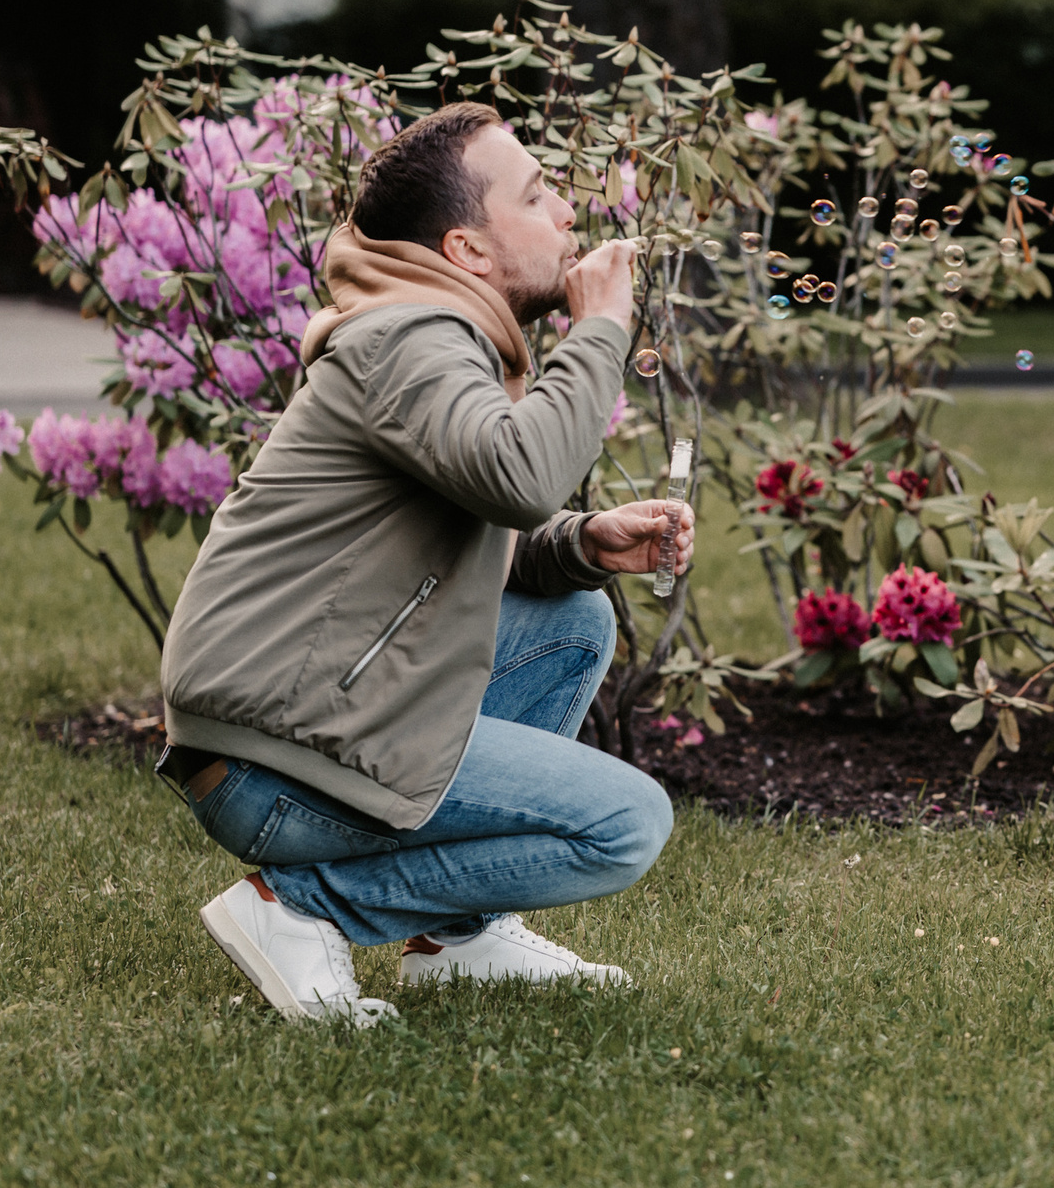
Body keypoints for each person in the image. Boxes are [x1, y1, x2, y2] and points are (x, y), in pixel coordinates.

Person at [154, 101, 684, 1026]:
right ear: (468, 250)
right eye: (538, 195)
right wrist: (598, 328)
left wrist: (584, 542)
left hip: (314, 718)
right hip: (276, 764)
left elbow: (484, 528)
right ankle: (304, 906)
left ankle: (457, 936)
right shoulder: (407, 339)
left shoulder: (435, 336)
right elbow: (520, 475)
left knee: (573, 620)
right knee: (624, 825)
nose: (567, 213)